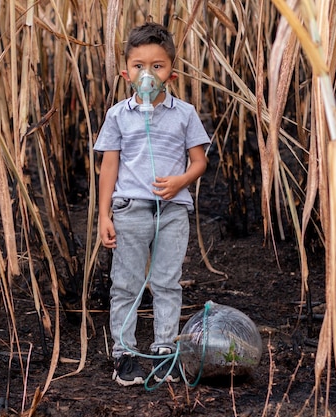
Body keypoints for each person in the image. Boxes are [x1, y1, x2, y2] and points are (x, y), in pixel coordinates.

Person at [94, 22, 211, 386]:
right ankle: (124, 353)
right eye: (139, 66)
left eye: (157, 66)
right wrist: (104, 215)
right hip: (130, 208)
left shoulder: (184, 114)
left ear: (171, 73)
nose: (148, 74)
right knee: (126, 282)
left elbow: (199, 161)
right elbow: (108, 165)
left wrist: (180, 182)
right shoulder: (118, 115)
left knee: (166, 281)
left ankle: (164, 349)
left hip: (173, 211)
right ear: (125, 71)